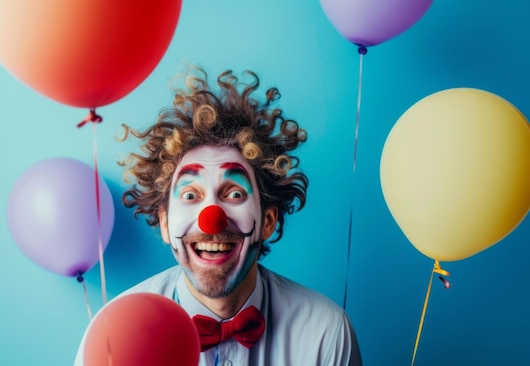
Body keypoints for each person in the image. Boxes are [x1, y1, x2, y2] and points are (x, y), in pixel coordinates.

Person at [75, 66, 362, 365]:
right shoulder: (112, 334)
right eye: (190, 196)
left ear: (267, 221)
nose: (211, 218)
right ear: (164, 223)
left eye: (234, 194)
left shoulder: (326, 334)